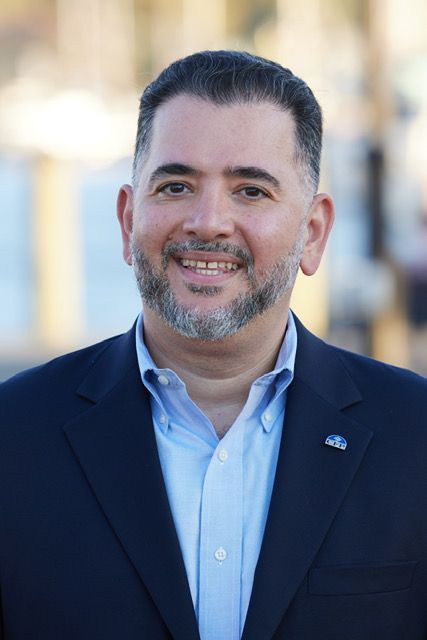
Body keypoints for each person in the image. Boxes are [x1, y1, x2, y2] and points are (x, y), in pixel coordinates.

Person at [0, 50, 426, 640]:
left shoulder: (417, 435)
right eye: (176, 185)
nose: (208, 222)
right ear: (128, 222)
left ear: (313, 233)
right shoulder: (13, 437)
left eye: (251, 191)